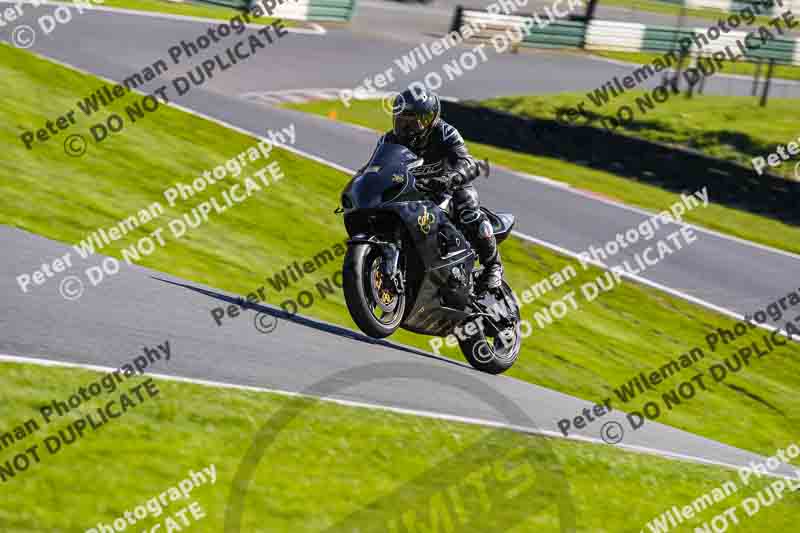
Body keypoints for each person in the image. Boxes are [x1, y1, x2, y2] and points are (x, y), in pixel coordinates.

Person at [362, 86, 503, 291]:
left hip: (448, 188)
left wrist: (449, 178)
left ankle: (493, 267)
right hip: (412, 190)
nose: (406, 127)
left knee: (468, 206)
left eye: (413, 121)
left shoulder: (445, 133)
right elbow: (374, 167)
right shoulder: (389, 139)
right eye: (401, 120)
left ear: (429, 119)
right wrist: (362, 183)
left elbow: (468, 163)